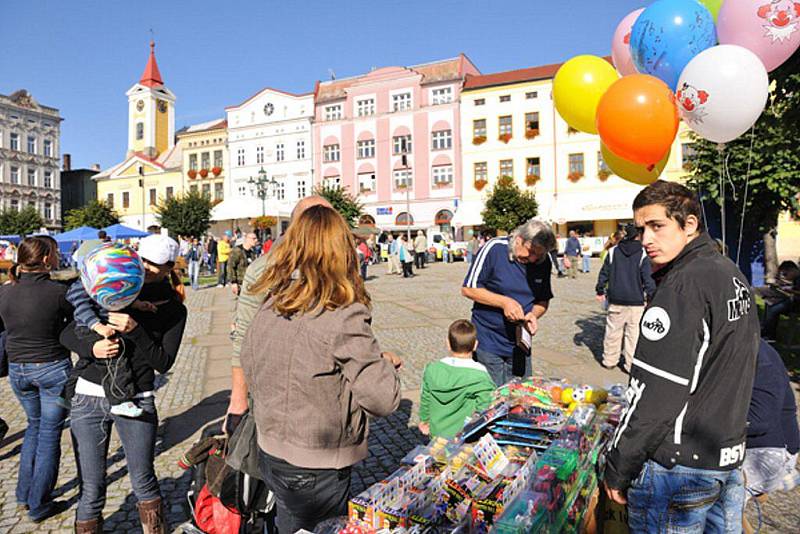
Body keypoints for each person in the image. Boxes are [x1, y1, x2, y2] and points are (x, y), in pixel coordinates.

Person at [603, 180, 760, 533]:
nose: (645, 239)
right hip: (724, 457)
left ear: (689, 225)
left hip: (679, 468)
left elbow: (655, 391)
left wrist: (618, 465)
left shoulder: (683, 285)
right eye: (640, 228)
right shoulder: (727, 272)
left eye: (657, 226)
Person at [241, 205, 401, 533]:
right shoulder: (343, 312)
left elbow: (253, 360)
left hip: (271, 449)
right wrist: (383, 365)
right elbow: (383, 399)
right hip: (316, 463)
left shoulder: (274, 300)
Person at [61, 234, 186, 534]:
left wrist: (135, 330)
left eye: (152, 265)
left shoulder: (172, 309)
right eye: (140, 260)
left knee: (143, 479)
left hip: (138, 396)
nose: (143, 269)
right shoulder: (113, 282)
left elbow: (163, 362)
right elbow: (66, 334)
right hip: (89, 395)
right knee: (91, 486)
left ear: (169, 268)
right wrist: (91, 348)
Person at [225, 196, 333, 432]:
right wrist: (238, 400)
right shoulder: (266, 269)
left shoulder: (341, 267)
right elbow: (243, 335)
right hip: (277, 390)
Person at [0, 236, 73, 522]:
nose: (57, 257)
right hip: (52, 368)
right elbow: (76, 318)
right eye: (54, 253)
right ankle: (40, 503)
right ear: (45, 259)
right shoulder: (57, 292)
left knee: (34, 427)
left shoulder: (4, 292)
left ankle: (23, 494)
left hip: (19, 370)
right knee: (48, 434)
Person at [461, 218, 556, 386]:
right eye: (531, 251)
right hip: (488, 340)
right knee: (491, 398)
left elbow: (543, 300)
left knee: (521, 397)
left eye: (539, 255)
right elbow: (468, 288)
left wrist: (533, 315)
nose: (533, 258)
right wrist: (504, 302)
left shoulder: (544, 260)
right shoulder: (494, 248)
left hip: (521, 343)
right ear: (519, 239)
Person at [418, 320, 495, 439]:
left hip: (436, 432)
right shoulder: (479, 375)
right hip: (463, 436)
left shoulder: (432, 369)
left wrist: (424, 419)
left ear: (448, 343)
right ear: (475, 345)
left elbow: (425, 397)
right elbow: (486, 406)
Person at [595, 224, 656, 371]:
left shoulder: (612, 251)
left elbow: (604, 273)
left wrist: (600, 289)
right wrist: (652, 295)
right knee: (633, 335)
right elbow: (647, 278)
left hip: (616, 299)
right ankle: (630, 365)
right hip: (636, 301)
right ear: (638, 236)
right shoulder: (642, 253)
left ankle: (609, 360)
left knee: (612, 332)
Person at [743, 339, 800, 498]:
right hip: (754, 442)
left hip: (771, 451)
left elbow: (760, 420)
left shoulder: (760, 355)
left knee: (699, 486)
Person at [761, 260, 800, 342]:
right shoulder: (796, 278)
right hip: (794, 302)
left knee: (773, 309)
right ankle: (765, 329)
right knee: (769, 302)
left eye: (785, 274)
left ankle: (770, 336)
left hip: (797, 305)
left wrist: (791, 291)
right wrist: (786, 286)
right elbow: (795, 288)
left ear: (792, 270)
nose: (785, 277)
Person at [227, 232, 258, 296]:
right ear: (247, 239)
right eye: (254, 239)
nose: (256, 240)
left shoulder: (252, 252)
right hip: (241, 283)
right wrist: (233, 282)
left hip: (251, 282)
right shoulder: (237, 251)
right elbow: (230, 266)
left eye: (256, 238)